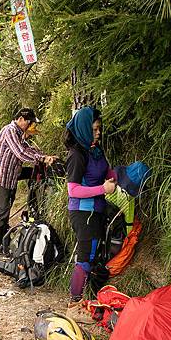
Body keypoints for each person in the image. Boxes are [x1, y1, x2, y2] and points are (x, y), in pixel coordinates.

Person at [64, 106, 116, 322]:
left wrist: (117, 175)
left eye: (100, 129)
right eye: (94, 130)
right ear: (84, 129)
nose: (98, 133)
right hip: (83, 212)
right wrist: (103, 189)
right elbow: (73, 190)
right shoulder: (77, 155)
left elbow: (106, 171)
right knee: (84, 259)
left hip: (97, 210)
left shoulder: (95, 149)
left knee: (93, 257)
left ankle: (90, 299)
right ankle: (74, 306)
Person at [0, 108, 57, 255]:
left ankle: (4, 241)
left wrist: (44, 155)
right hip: (0, 177)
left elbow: (27, 148)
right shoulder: (10, 131)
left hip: (10, 178)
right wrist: (42, 159)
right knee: (0, 211)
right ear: (21, 119)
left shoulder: (19, 135)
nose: (31, 125)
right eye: (30, 122)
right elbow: (21, 153)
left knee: (5, 210)